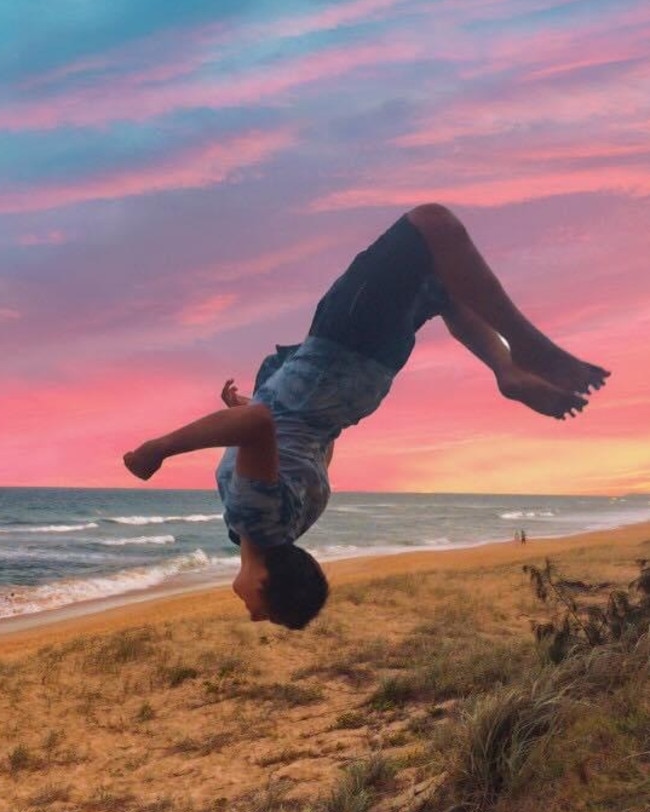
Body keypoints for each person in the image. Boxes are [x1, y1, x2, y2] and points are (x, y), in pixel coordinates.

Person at [124, 204, 609, 628]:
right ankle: (522, 350)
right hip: (339, 349)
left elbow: (301, 440)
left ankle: (505, 370)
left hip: (365, 378)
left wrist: (254, 404)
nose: (252, 613)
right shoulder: (255, 520)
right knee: (432, 225)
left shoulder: (290, 523)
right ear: (269, 582)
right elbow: (264, 428)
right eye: (263, 611)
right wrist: (157, 450)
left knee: (443, 284)